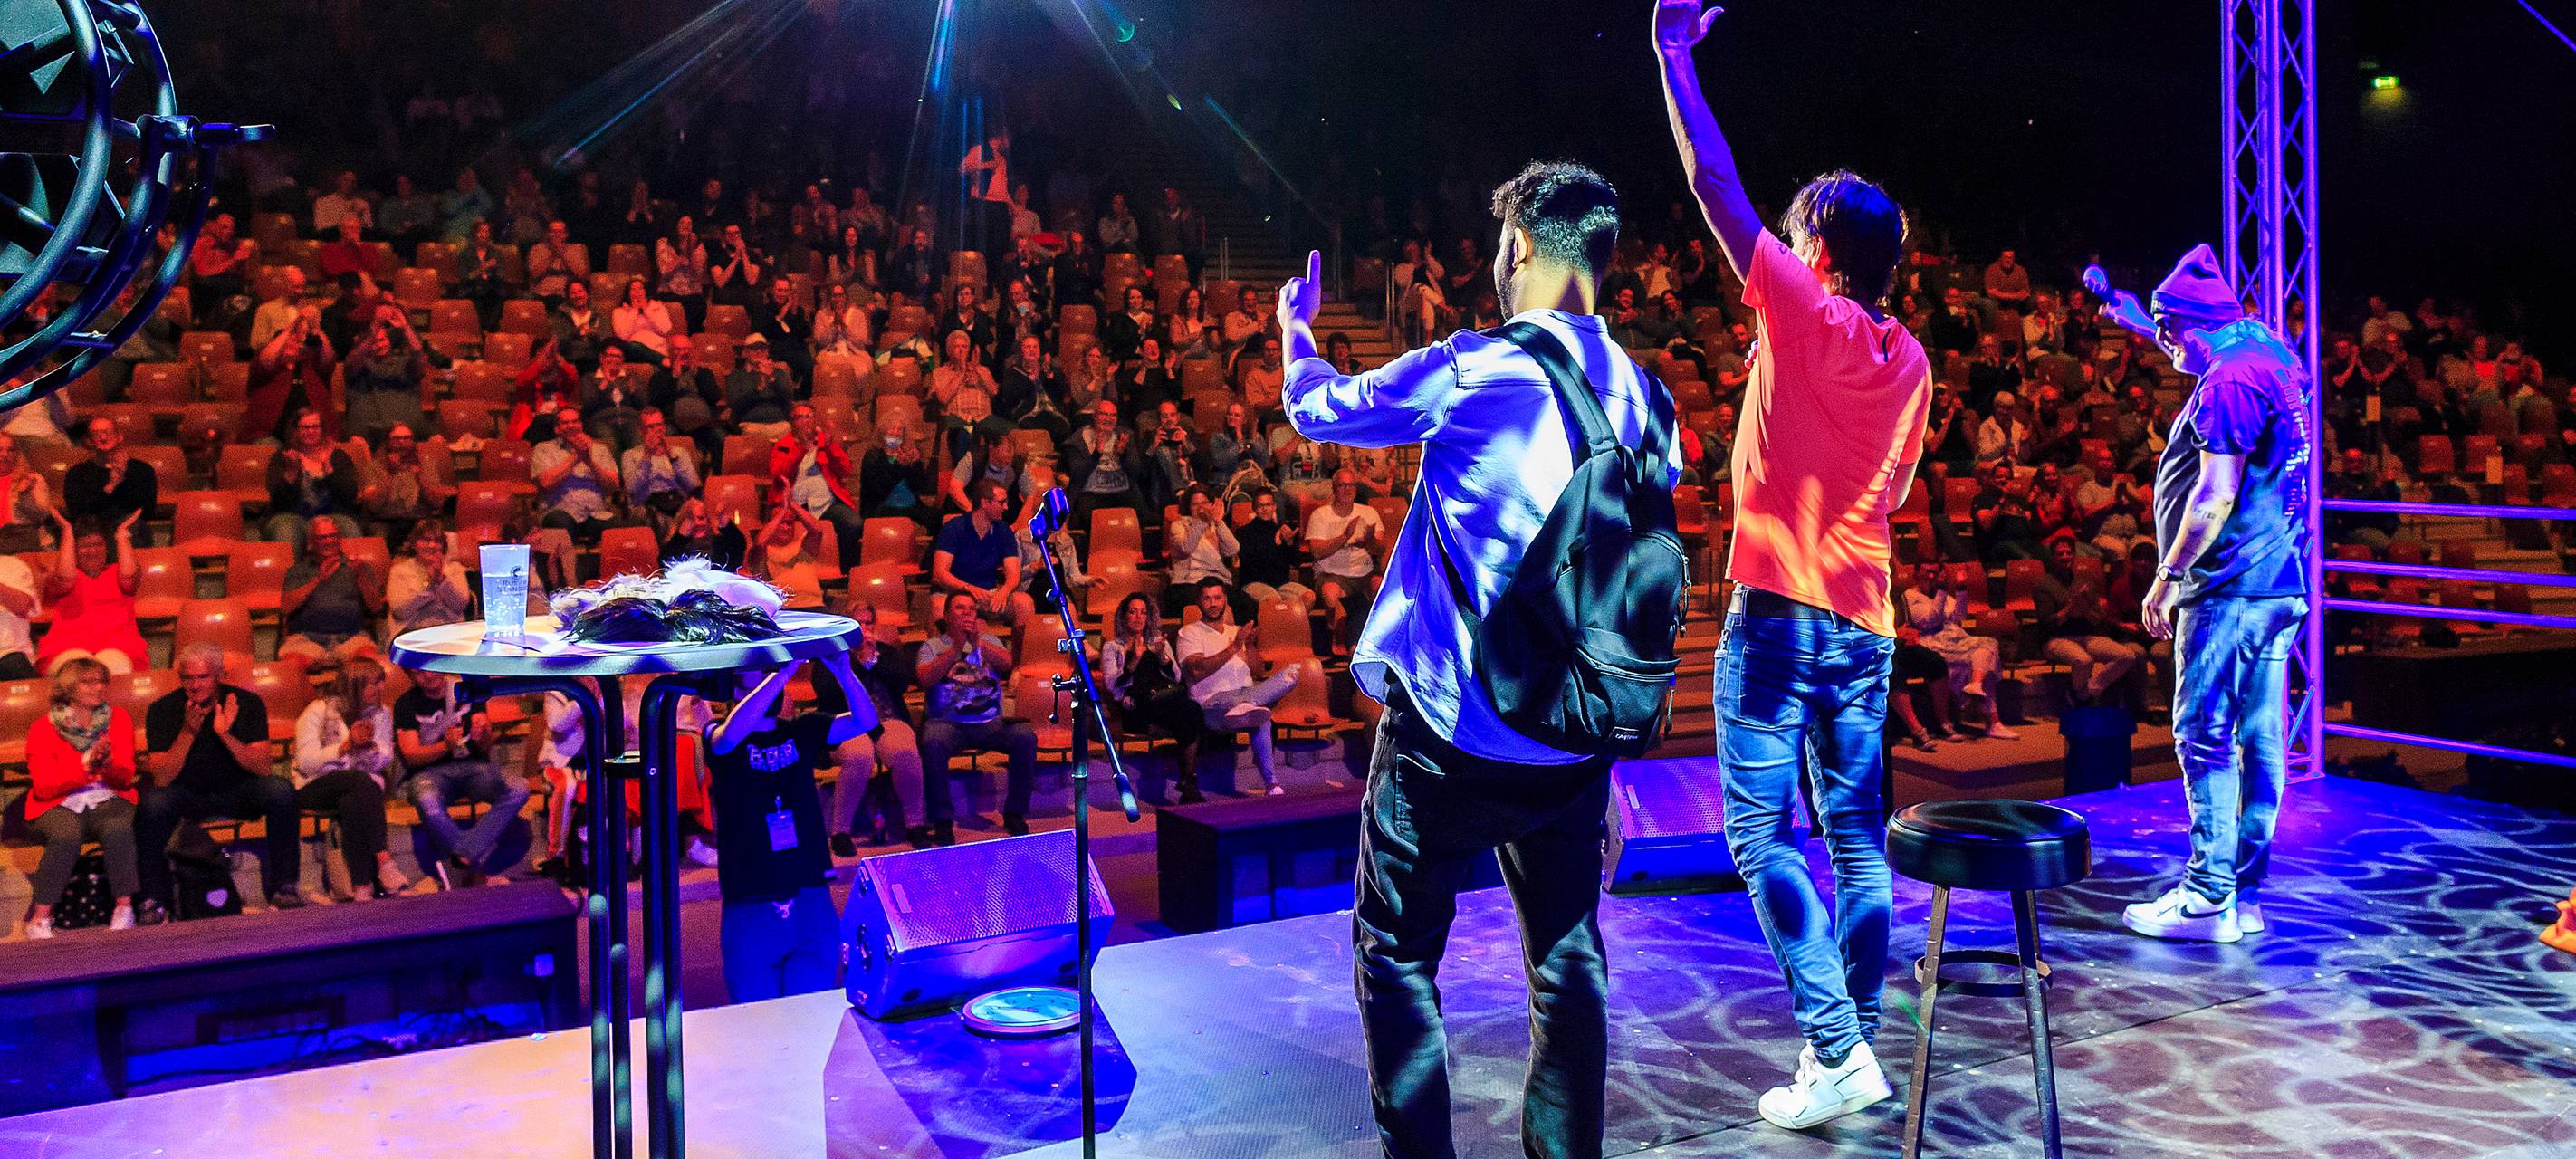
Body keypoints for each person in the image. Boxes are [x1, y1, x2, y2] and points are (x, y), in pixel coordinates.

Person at [1278, 152, 1679, 1153]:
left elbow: (1317, 408)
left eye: (1500, 247)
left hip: (1454, 731)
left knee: (1396, 955)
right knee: (1567, 960)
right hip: (1577, 729)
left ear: (1519, 247)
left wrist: (1294, 331)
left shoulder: (1476, 366)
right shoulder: (1650, 398)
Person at [1659, 1, 1926, 1127]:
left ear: (1815, 249)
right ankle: (1844, 1049)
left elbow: (1711, 185)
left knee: (1763, 834)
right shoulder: (1910, 358)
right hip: (1866, 620)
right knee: (1855, 839)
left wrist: (1671, 54)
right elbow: (1896, 493)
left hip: (1776, 614)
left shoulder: (1803, 305)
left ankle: (1835, 1043)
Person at [2109, 244, 2314, 944]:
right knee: (2258, 743)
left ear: (2189, 327)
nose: (2163, 347)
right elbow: (2195, 335)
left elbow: (2215, 493)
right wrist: (2134, 317)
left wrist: (2167, 577)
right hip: (2276, 583)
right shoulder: (2267, 352)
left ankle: (2202, 897)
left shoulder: (2225, 381)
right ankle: (2239, 898)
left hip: (2227, 588)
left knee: (2203, 734)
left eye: (2167, 334)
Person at [704, 662, 866, 1001]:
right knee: (756, 1019)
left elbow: (864, 720)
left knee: (811, 1013)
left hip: (809, 893)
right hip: (750, 899)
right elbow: (728, 738)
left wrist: (843, 671)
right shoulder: (716, 732)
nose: (771, 684)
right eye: (756, 677)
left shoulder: (801, 729)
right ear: (734, 689)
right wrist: (784, 669)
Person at [137, 647, 303, 914]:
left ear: (219, 675)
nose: (194, 686)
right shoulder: (162, 709)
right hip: (187, 794)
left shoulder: (247, 703)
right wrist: (188, 732)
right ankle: (154, 899)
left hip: (238, 791)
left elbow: (263, 768)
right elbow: (163, 778)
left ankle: (284, 886)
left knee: (280, 790)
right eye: (187, 678)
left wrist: (224, 734)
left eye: (202, 677)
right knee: (152, 803)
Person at [22, 657, 141, 937]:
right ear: (69, 687)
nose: (98, 687)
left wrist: (108, 764)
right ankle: (40, 918)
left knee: (117, 827)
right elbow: (44, 786)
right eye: (89, 682)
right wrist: (85, 767)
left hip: (108, 796)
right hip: (58, 802)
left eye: (101, 682)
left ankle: (124, 908)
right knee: (66, 835)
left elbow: (125, 776)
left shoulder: (118, 719)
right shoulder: (42, 728)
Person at [914, 592, 1036, 843]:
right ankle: (942, 820)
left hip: (990, 722)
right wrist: (956, 649)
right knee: (932, 742)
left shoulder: (988, 640)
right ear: (946, 615)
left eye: (971, 609)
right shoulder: (932, 646)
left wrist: (978, 642)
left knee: (1025, 737)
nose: (967, 613)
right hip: (948, 723)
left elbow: (1007, 663)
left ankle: (1014, 812)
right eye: (960, 608)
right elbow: (924, 678)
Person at [396, 666, 527, 887]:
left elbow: (486, 746)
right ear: (410, 676)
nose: (428, 675)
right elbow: (411, 755)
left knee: (519, 788)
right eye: (418, 672)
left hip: (474, 767)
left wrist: (484, 734)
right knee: (426, 801)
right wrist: (445, 746)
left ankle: (463, 856)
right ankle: (475, 867)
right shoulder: (405, 704)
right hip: (429, 774)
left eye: (430, 667)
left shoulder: (465, 690)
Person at [291, 657, 408, 899]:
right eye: (375, 683)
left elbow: (385, 759)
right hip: (314, 785)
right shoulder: (319, 711)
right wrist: (344, 748)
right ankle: (384, 861)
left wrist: (369, 749)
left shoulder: (381, 713)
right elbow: (306, 762)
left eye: (382, 682)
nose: (381, 688)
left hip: (358, 789)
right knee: (360, 782)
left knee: (352, 802)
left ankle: (361, 887)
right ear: (355, 685)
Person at [817, 602, 925, 853]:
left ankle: (915, 824)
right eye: (858, 623)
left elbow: (901, 684)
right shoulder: (829, 654)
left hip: (887, 720)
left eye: (868, 623)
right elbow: (825, 691)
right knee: (860, 754)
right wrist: (857, 662)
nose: (864, 628)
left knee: (904, 750)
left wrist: (873, 661)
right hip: (847, 725)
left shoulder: (886, 652)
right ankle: (840, 831)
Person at [1174, 580, 1298, 796]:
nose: (1213, 603)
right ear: (1199, 602)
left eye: (1217, 598)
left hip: (1246, 693)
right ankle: (1247, 706)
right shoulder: (1189, 633)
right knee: (1261, 712)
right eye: (1207, 598)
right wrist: (1234, 647)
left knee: (1290, 677)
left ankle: (1272, 784)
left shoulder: (1237, 631)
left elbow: (1258, 671)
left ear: (1225, 600)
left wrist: (1249, 645)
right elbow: (1196, 671)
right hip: (1213, 703)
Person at [1098, 590, 1208, 803]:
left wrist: (1161, 656)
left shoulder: (1158, 642)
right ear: (1124, 616)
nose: (1138, 617)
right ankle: (1189, 781)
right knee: (1188, 716)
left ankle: (1188, 781)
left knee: (1192, 710)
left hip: (1162, 700)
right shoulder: (1112, 647)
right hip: (1133, 705)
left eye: (1143, 612)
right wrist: (1135, 659)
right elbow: (1112, 685)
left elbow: (1177, 676)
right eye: (1133, 612)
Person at [35, 512, 147, 675]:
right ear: (74, 549)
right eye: (85, 546)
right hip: (67, 648)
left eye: (98, 544)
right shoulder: (61, 574)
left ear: (107, 547)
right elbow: (65, 578)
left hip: (119, 648)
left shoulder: (118, 572)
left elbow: (129, 578)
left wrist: (122, 536)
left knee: (115, 666)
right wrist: (68, 532)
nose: (93, 551)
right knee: (74, 670)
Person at [929, 479, 1036, 633]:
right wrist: (969, 588)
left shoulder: (1004, 531)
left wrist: (1004, 591)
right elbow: (939, 574)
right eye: (1001, 502)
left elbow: (1013, 574)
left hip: (987, 594)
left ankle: (1020, 648)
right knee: (939, 606)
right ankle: (942, 648)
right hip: (955, 592)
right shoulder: (954, 528)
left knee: (1023, 602)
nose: (1006, 507)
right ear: (985, 503)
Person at [769, 401, 865, 567]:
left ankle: (845, 570)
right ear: (792, 422)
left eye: (808, 416)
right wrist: (801, 449)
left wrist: (829, 447)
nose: (805, 421)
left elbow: (845, 470)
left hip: (827, 504)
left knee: (854, 524)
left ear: (814, 420)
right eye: (799, 417)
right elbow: (778, 474)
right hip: (796, 506)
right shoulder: (783, 445)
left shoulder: (824, 441)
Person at [279, 519, 387, 665]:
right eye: (322, 537)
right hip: (306, 639)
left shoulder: (357, 567)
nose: (329, 541)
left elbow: (376, 607)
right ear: (311, 542)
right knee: (292, 666)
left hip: (351, 637)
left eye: (333, 536)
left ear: (340, 538)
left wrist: (361, 576)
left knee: (372, 662)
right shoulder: (298, 570)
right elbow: (286, 607)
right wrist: (318, 579)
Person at [1302, 470, 1384, 650]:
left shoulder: (1369, 512)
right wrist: (1344, 537)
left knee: (1381, 586)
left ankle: (1375, 638)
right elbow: (1316, 552)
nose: (1348, 489)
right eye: (1342, 485)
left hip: (1364, 572)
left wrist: (1369, 541)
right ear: (1333, 489)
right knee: (1331, 593)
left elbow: (1380, 550)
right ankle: (1336, 633)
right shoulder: (1320, 515)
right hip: (1333, 575)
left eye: (1351, 485)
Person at [265, 408, 364, 552]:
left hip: (333, 516)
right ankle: (290, 568)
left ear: (322, 429)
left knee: (349, 529)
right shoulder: (282, 457)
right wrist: (291, 472)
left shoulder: (338, 456)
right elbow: (278, 501)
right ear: (296, 430)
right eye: (305, 427)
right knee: (286, 531)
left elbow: (350, 496)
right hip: (291, 516)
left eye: (315, 427)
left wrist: (329, 470)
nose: (311, 431)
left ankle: (346, 567)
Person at [532, 402, 627, 544]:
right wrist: (576, 457)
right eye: (565, 423)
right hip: (559, 513)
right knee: (560, 522)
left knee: (622, 527)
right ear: (557, 429)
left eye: (575, 421)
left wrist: (590, 462)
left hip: (595, 514)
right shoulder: (544, 449)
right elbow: (546, 482)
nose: (571, 426)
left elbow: (613, 485)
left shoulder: (600, 450)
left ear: (581, 425)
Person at [62, 416, 158, 547]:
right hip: (93, 529)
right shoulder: (77, 473)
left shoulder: (141, 469)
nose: (103, 438)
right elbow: (77, 511)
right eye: (96, 434)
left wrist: (123, 481)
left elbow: (148, 510)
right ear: (89, 441)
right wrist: (111, 486)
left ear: (119, 436)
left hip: (131, 528)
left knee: (132, 528)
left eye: (108, 432)